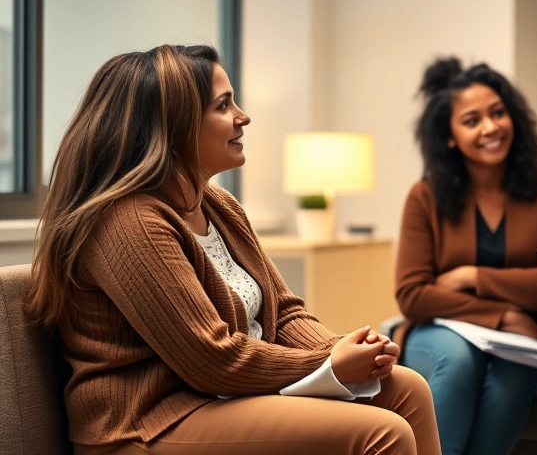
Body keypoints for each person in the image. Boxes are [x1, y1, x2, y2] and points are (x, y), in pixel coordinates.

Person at [24, 45, 441, 455]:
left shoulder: (218, 205)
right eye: (224, 106)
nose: (243, 117)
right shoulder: (128, 222)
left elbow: (285, 312)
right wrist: (326, 365)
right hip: (146, 422)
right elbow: (209, 358)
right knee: (381, 433)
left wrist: (346, 349)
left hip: (220, 398)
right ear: (173, 128)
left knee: (406, 389)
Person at [394, 58, 537, 455]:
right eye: (472, 120)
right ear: (449, 136)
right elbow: (413, 294)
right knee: (458, 362)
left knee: (513, 372)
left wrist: (471, 276)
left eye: (498, 113)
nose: (490, 127)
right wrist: (504, 314)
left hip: (525, 342)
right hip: (439, 331)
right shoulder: (424, 196)